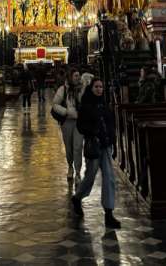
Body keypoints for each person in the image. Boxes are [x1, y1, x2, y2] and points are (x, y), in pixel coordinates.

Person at [70, 77, 121, 229]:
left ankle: (109, 213)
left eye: (101, 87)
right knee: (90, 177)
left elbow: (110, 123)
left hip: (105, 146)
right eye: (96, 87)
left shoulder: (104, 104)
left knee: (109, 178)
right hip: (94, 146)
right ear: (91, 88)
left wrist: (112, 139)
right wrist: (93, 132)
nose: (99, 89)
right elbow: (80, 126)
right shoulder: (86, 105)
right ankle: (78, 197)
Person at [52, 68, 87, 180]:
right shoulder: (63, 89)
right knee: (69, 147)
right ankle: (70, 167)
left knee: (78, 146)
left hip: (79, 122)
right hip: (67, 122)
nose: (78, 78)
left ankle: (77, 172)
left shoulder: (82, 88)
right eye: (75, 76)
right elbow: (55, 105)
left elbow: (87, 102)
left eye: (79, 75)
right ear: (70, 77)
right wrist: (66, 112)